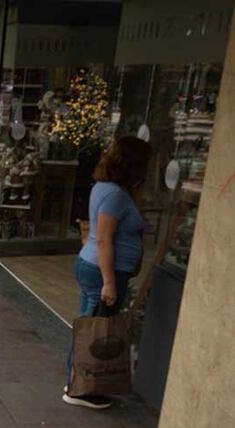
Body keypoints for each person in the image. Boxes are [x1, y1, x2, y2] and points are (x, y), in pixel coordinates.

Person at [63, 136, 152, 410]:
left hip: (96, 267)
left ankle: (79, 381)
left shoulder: (106, 188)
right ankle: (78, 387)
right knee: (93, 326)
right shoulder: (114, 194)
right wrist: (110, 282)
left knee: (91, 322)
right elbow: (104, 239)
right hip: (102, 270)